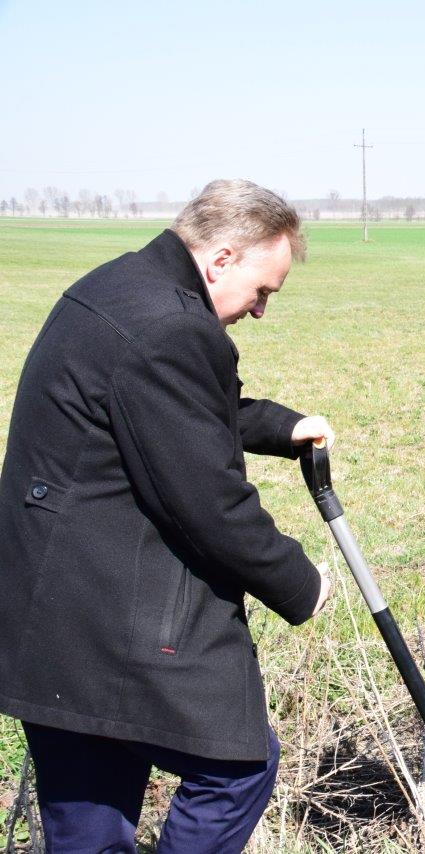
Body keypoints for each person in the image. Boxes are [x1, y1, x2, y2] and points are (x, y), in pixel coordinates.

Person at [0, 179, 335, 854]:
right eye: (264, 290)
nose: (262, 310)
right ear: (222, 260)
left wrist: (282, 426)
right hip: (103, 612)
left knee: (89, 824)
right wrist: (301, 583)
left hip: (53, 614)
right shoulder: (172, 326)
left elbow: (179, 410)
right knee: (240, 765)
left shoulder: (125, 285)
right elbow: (208, 502)